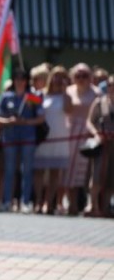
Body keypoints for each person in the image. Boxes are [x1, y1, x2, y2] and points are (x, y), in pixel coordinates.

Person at [0, 68, 45, 213]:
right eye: (17, 79)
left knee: (27, 170)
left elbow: (41, 117)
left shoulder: (32, 97)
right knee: (9, 170)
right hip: (10, 137)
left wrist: (26, 122)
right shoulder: (6, 97)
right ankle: (7, 201)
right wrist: (9, 121)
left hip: (28, 137)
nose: (20, 81)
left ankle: (25, 201)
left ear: (26, 81)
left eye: (22, 79)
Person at [34, 66, 72, 215]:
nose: (57, 79)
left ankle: (49, 203)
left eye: (61, 76)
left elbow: (69, 111)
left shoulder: (66, 97)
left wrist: (64, 91)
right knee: (39, 171)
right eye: (55, 76)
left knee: (55, 172)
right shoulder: (42, 94)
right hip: (43, 138)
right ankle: (38, 201)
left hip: (59, 137)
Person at [64, 63, 100, 215]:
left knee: (86, 171)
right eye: (78, 75)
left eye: (85, 75)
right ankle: (71, 203)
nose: (81, 79)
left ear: (90, 77)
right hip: (69, 134)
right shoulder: (68, 91)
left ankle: (89, 204)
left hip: (88, 135)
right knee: (69, 170)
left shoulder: (96, 93)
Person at [86, 75, 114, 218]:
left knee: (111, 177)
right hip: (101, 144)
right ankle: (93, 205)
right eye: (110, 85)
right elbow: (90, 122)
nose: (112, 88)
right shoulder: (100, 102)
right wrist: (97, 134)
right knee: (96, 174)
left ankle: (106, 206)